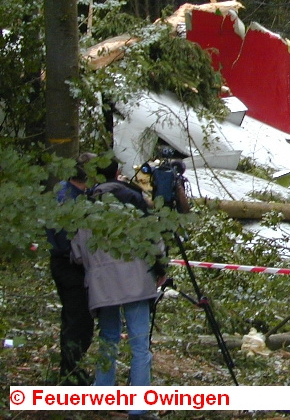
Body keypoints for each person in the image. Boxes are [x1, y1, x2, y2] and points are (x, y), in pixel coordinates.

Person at [70, 158, 163, 420]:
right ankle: (139, 406)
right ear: (118, 173)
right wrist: (160, 268)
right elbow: (154, 239)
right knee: (139, 343)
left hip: (103, 284)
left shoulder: (86, 206)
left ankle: (102, 394)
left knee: (108, 339)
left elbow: (78, 252)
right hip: (136, 281)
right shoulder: (134, 200)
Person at [47, 152, 96, 385]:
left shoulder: (66, 191)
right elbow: (70, 240)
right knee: (79, 322)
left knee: (76, 319)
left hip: (67, 263)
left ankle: (71, 370)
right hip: (69, 265)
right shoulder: (69, 198)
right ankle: (69, 374)